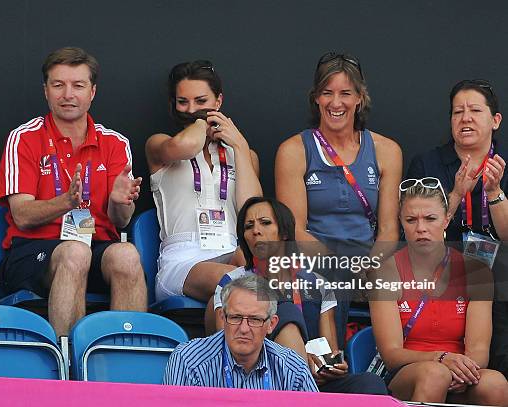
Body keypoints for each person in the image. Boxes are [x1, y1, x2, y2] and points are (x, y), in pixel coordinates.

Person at [0, 47, 147, 337]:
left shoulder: (114, 143)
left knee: (127, 254)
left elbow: (121, 220)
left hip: (95, 247)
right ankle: (69, 372)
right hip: (32, 252)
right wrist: (64, 202)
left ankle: (127, 363)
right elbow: (22, 215)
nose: (68, 94)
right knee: (75, 253)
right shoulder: (24, 138)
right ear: (46, 91)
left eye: (78, 85)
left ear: (92, 92)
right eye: (58, 85)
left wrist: (119, 201)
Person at [275, 52, 402, 348]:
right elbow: (295, 230)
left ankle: (386, 368)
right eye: (327, 93)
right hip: (313, 260)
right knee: (321, 281)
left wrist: (367, 264)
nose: (336, 103)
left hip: (368, 261)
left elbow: (388, 230)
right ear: (316, 98)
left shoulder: (386, 150)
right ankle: (327, 366)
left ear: (360, 98)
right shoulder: (293, 150)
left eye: (345, 93)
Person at [212, 196, 387, 395]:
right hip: (257, 378)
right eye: (248, 226)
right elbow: (228, 345)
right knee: (285, 309)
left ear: (285, 233)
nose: (255, 231)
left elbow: (328, 348)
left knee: (370, 384)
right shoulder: (232, 283)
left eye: (265, 223)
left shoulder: (317, 282)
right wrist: (300, 359)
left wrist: (331, 365)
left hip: (313, 383)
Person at [369, 178, 508, 405]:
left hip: (461, 369)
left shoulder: (477, 272)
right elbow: (392, 354)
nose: (421, 228)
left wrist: (463, 371)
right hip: (408, 371)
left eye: (430, 219)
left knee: (496, 384)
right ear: (401, 223)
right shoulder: (384, 273)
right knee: (435, 375)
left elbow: (479, 349)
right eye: (411, 220)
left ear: (446, 220)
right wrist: (441, 359)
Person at [145, 60, 262, 325]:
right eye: (182, 102)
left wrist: (240, 146)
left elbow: (251, 209)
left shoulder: (242, 155)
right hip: (183, 261)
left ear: (218, 101)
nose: (191, 109)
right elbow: (186, 145)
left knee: (261, 271)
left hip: (231, 250)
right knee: (238, 282)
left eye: (201, 101)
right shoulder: (160, 145)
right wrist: (201, 122)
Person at [406, 79, 508, 377]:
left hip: (500, 277)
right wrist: (454, 195)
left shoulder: (502, 164)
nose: (465, 118)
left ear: (495, 120)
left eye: (475, 110)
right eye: (457, 112)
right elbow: (416, 233)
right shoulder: (427, 164)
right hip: (441, 276)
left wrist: (494, 193)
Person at [163, 274, 318, 392]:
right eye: (236, 317)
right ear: (223, 318)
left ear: (271, 324)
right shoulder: (188, 360)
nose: (244, 329)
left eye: (255, 320)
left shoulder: (293, 368)